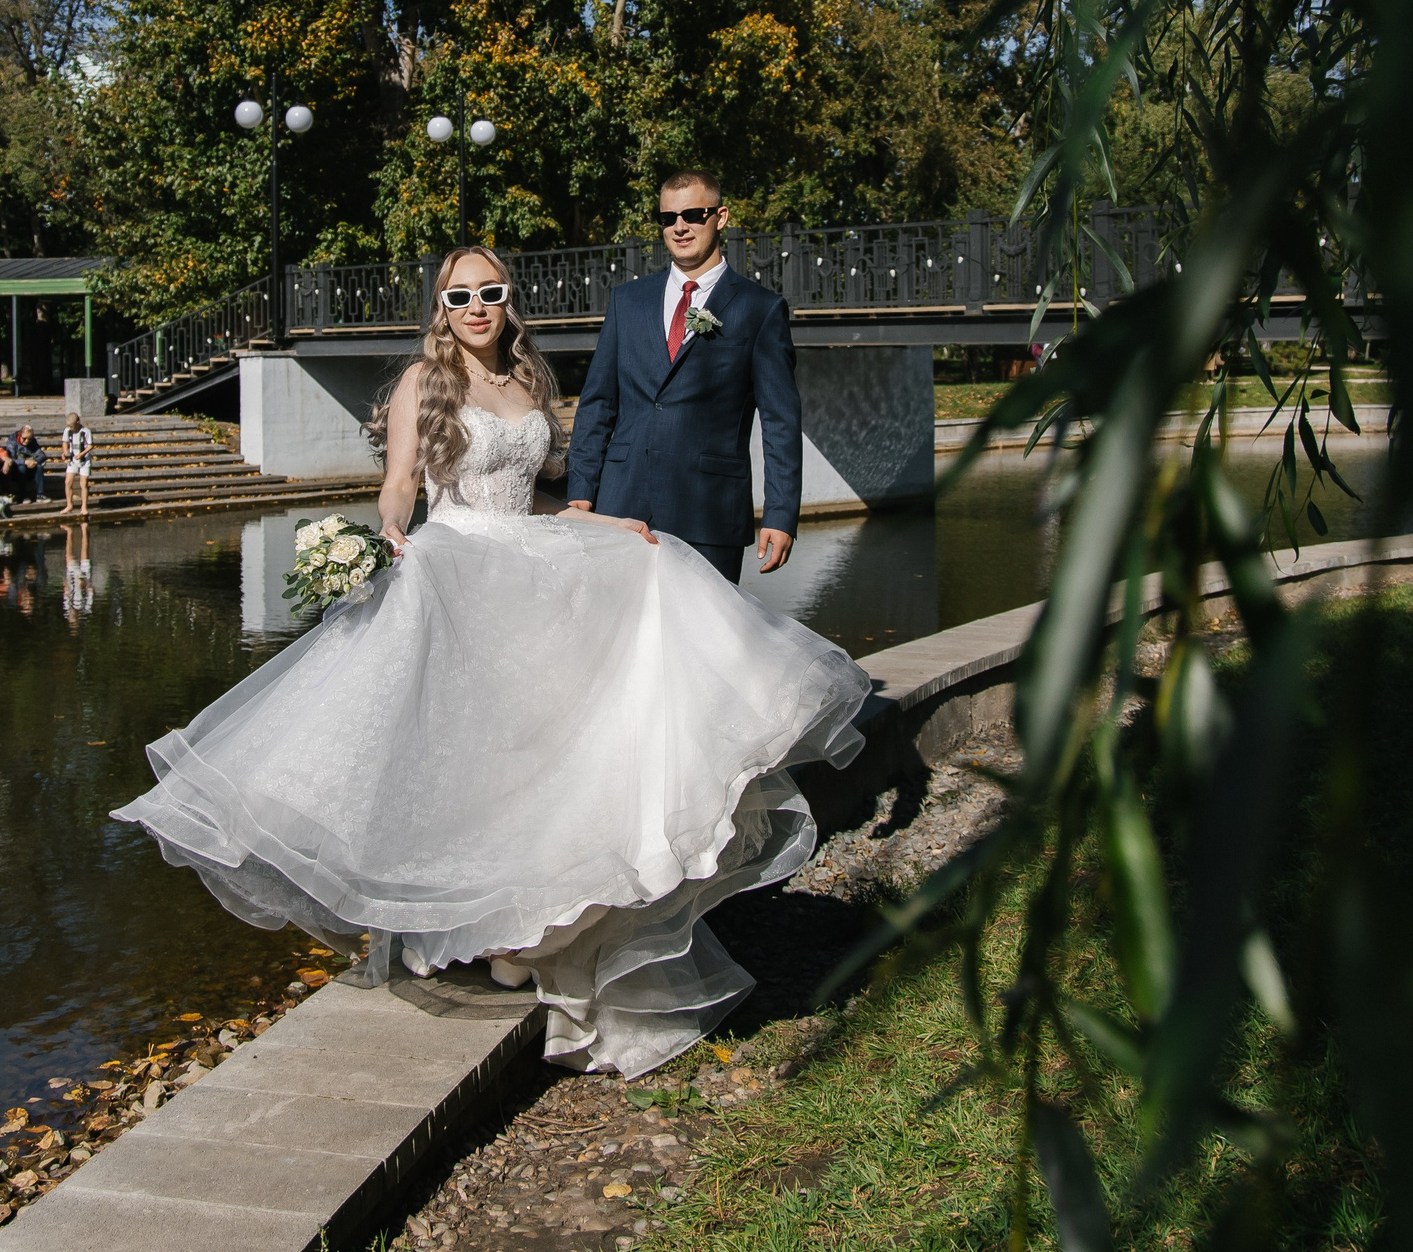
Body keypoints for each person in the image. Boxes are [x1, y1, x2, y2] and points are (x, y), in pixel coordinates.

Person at [113, 245, 868, 1079]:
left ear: (510, 300)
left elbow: (534, 496)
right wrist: (391, 524)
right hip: (461, 565)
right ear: (441, 308)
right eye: (459, 295)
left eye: (490, 291)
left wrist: (604, 524)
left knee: (570, 720)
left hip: (531, 561)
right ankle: (487, 928)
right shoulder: (424, 382)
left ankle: (531, 925)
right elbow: (402, 479)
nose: (475, 306)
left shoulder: (529, 381)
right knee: (475, 756)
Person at [565, 169, 799, 583]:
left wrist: (780, 513)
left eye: (693, 214)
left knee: (704, 628)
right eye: (668, 217)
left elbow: (780, 421)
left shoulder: (760, 309)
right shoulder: (627, 301)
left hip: (709, 512)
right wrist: (581, 490)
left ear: (720, 217)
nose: (679, 227)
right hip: (620, 505)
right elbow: (598, 403)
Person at [59, 412, 94, 515]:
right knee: (68, 482)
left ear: (77, 422)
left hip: (84, 459)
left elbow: (90, 445)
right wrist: (65, 452)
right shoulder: (67, 430)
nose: (70, 428)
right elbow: (65, 442)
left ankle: (84, 507)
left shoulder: (86, 431)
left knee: (83, 483)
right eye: (69, 426)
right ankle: (69, 505)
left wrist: (81, 454)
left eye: (72, 426)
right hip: (72, 459)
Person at [7, 425, 48, 503]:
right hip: (16, 471)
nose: (27, 441)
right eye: (24, 438)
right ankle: (22, 495)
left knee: (39, 467)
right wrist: (24, 462)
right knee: (21, 467)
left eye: (29, 439)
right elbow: (11, 459)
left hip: (29, 470)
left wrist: (35, 461)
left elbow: (42, 455)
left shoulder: (33, 442)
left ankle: (40, 495)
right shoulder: (12, 442)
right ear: (20, 435)